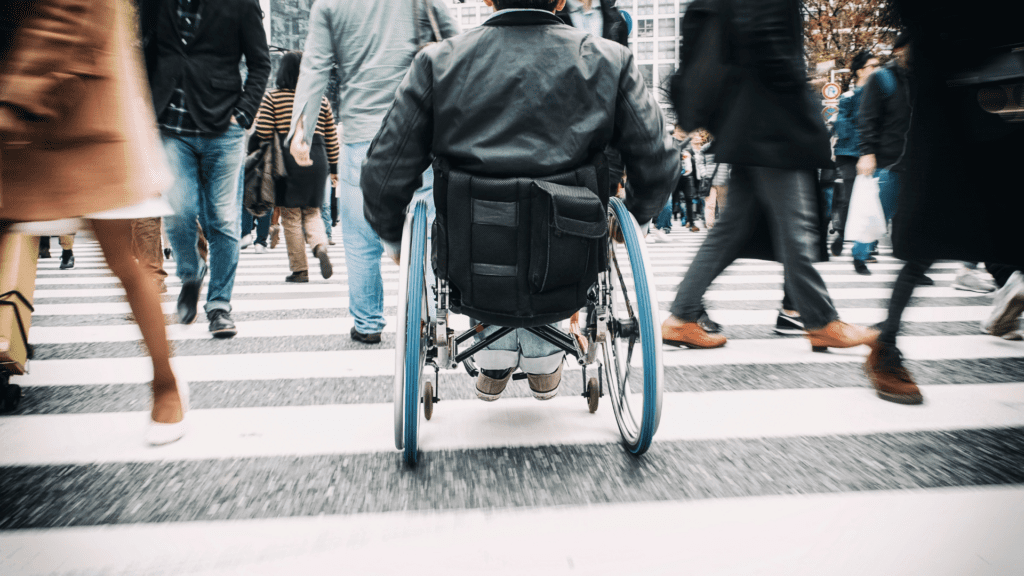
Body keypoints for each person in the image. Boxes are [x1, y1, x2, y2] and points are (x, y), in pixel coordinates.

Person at [360, 0, 677, 400]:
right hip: (570, 258)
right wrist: (639, 216)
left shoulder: (437, 63)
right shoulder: (609, 59)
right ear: (560, 1)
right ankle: (544, 358)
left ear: (489, 0)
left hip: (472, 263)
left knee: (487, 225)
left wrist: (392, 237)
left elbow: (383, 172)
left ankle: (494, 355)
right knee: (559, 227)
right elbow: (659, 158)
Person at [1, 0, 187, 445]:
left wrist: (17, 96)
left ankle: (166, 385)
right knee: (124, 262)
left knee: (123, 261)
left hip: (82, 111)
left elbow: (74, 16)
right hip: (21, 106)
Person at [662, 0, 878, 356]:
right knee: (796, 228)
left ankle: (683, 315)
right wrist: (802, 107)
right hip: (773, 121)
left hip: (750, 123)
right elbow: (769, 47)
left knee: (731, 229)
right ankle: (821, 321)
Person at [863, 0, 1024, 403]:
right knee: (927, 239)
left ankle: (1007, 293)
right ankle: (886, 345)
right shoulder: (889, 76)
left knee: (1003, 226)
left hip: (1006, 97)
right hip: (956, 106)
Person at [287, 0, 458, 344]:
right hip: (418, 129)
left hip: (361, 136)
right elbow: (455, 44)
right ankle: (432, 317)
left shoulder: (329, 5)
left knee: (360, 238)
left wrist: (300, 132)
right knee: (426, 229)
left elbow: (315, 67)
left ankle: (367, 323)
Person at [141, 0, 271, 338]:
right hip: (170, 123)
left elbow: (260, 63)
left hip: (223, 125)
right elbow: (146, 50)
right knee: (178, 209)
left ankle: (219, 306)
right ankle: (192, 271)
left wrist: (243, 115)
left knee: (223, 218)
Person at [252, 51, 339, 284]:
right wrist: (335, 168)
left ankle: (300, 270)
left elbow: (262, 132)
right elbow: (331, 136)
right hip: (316, 157)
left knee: (290, 216)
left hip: (286, 158)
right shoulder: (320, 99)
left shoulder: (273, 98)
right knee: (312, 212)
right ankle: (320, 245)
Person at [830, 50, 879, 258]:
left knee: (872, 199)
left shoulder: (879, 96)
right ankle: (841, 234)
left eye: (879, 66)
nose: (877, 71)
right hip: (850, 154)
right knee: (850, 197)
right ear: (860, 71)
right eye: (872, 67)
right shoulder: (848, 97)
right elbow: (843, 125)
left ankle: (867, 244)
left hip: (872, 154)